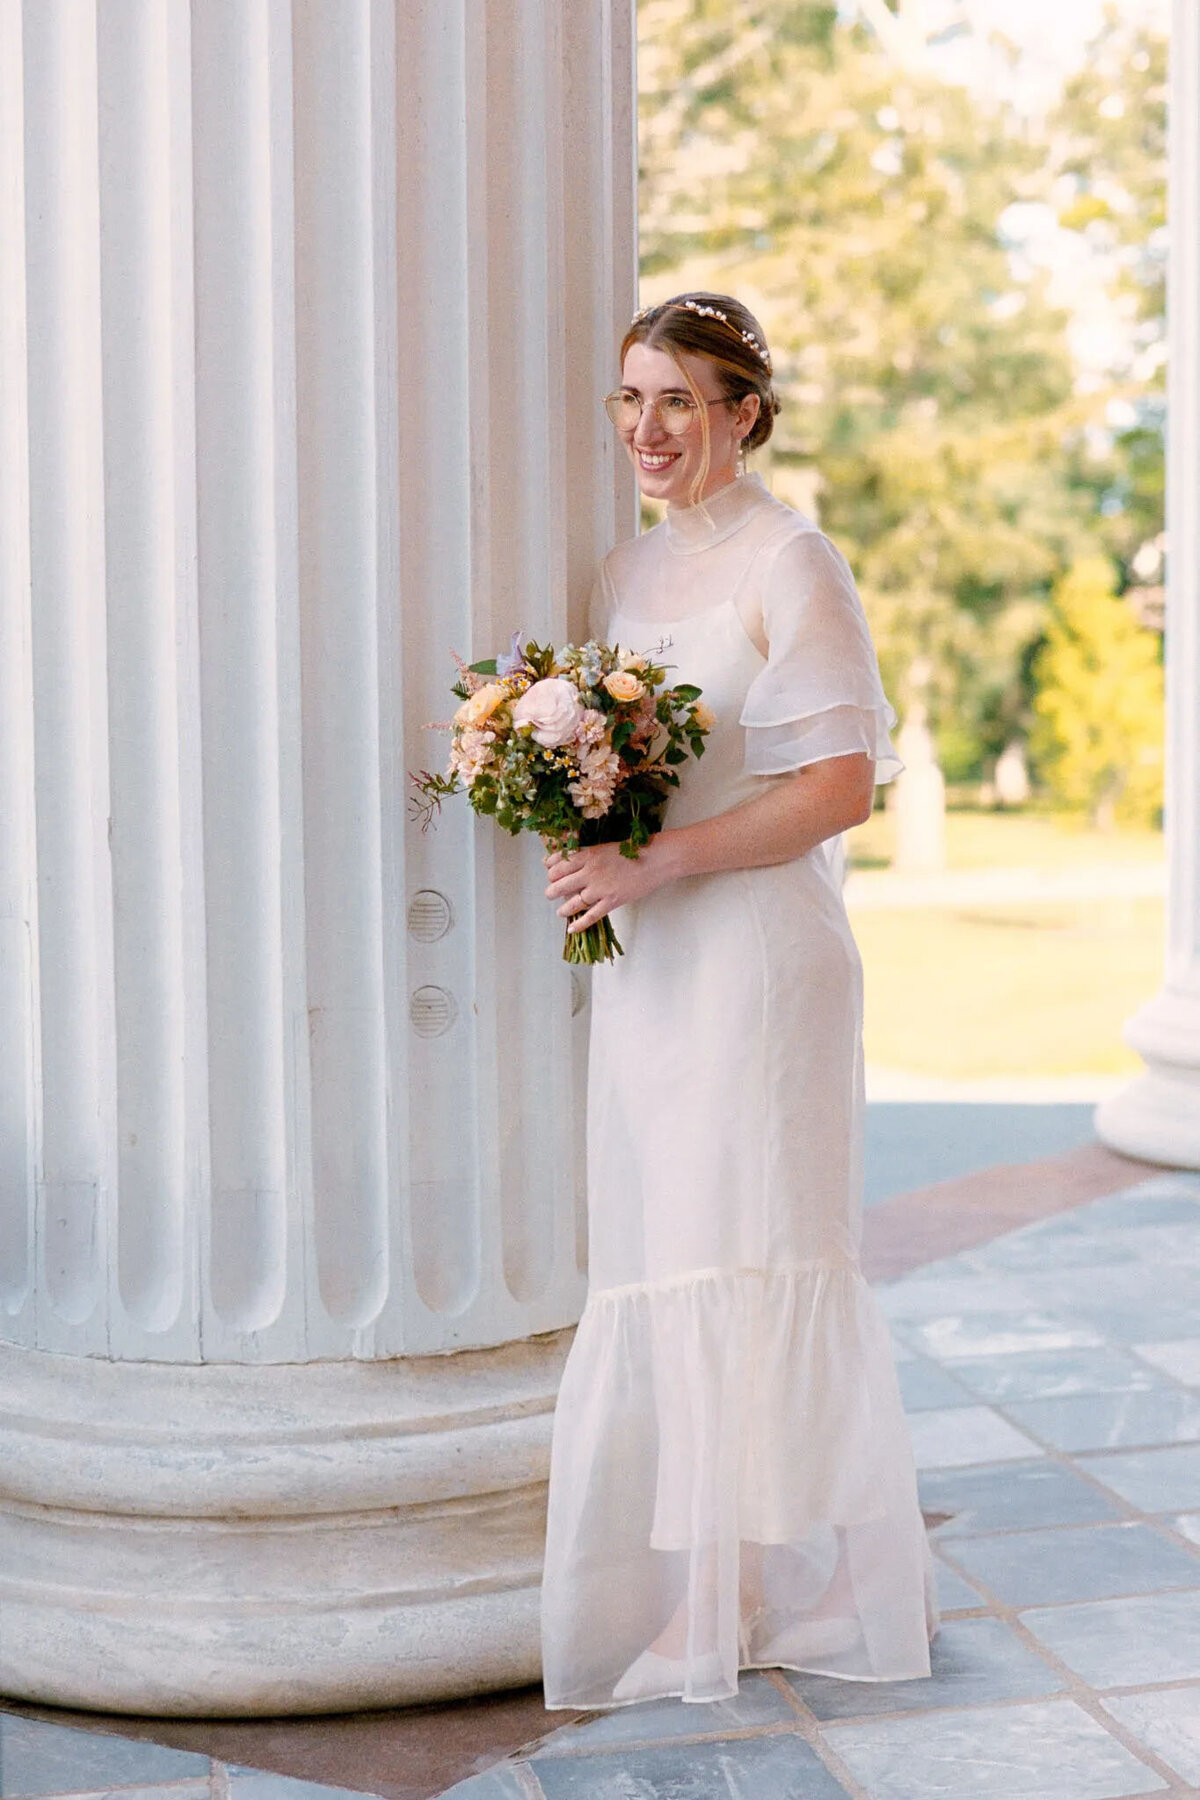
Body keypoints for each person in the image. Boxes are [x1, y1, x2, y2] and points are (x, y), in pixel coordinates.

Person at [538, 293, 937, 1709]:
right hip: (657, 964)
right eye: (630, 400)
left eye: (682, 402)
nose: (649, 430)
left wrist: (658, 859)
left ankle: (721, 1602)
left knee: (749, 1250)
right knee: (671, 1248)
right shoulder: (616, 575)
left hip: (762, 957)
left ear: (745, 413)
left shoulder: (793, 559)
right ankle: (748, 1586)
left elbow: (840, 786)